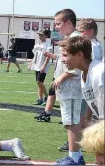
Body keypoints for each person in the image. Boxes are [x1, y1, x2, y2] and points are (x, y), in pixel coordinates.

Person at [43, 9, 86, 165]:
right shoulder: (71, 38)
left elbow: (80, 63)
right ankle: (73, 155)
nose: (56, 27)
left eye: (58, 23)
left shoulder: (76, 39)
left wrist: (63, 76)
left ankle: (75, 158)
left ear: (68, 22)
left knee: (72, 121)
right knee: (70, 121)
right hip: (68, 89)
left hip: (73, 89)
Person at [60, 36, 104, 121]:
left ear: (79, 55)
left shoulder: (99, 73)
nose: (62, 60)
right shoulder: (84, 72)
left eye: (65, 55)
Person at [27, 29, 52, 105]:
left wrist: (43, 67)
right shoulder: (37, 45)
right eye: (39, 35)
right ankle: (40, 99)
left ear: (46, 35)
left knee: (39, 82)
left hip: (42, 66)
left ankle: (47, 97)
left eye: (42, 34)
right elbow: (35, 56)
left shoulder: (48, 45)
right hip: (36, 66)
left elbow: (48, 57)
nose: (40, 36)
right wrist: (30, 64)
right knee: (39, 83)